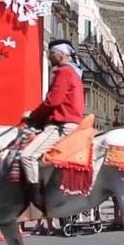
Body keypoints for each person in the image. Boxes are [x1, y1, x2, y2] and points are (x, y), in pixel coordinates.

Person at [20, 39, 85, 210]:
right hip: (70, 121)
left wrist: (33, 116)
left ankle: (36, 198)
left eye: (52, 54)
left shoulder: (64, 72)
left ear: (61, 55)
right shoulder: (74, 73)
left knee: (27, 156)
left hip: (61, 124)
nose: (50, 57)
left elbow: (52, 101)